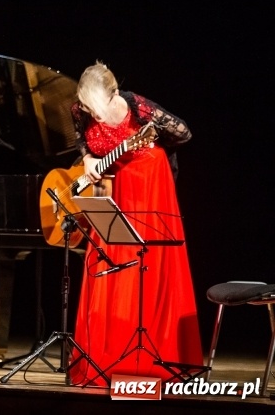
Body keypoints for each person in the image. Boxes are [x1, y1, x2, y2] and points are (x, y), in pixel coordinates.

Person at [68, 61, 202, 385]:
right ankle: (105, 354)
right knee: (106, 265)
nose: (93, 114)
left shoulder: (136, 106)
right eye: (88, 107)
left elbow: (184, 132)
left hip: (148, 183)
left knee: (143, 266)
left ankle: (147, 353)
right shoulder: (80, 110)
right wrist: (88, 159)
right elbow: (82, 142)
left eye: (96, 108)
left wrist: (151, 145)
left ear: (112, 95)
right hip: (114, 189)